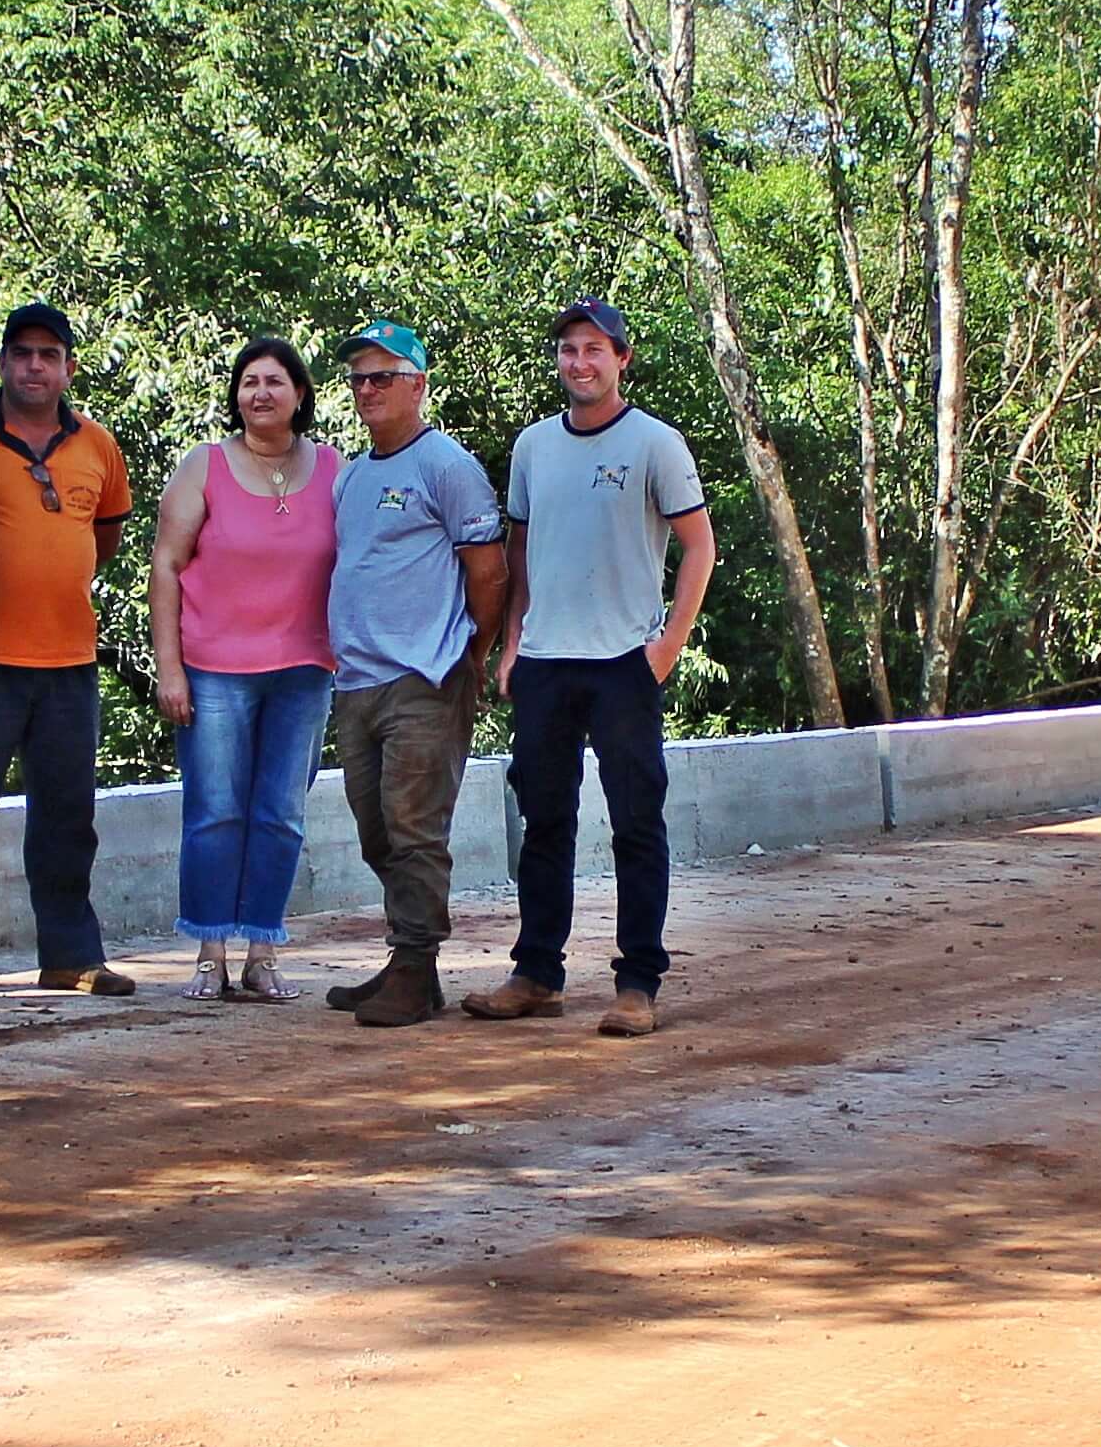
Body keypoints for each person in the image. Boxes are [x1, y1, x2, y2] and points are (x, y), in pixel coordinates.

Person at [474, 299, 714, 1037]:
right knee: (544, 820)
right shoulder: (533, 447)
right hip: (546, 661)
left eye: (594, 350)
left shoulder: (654, 443)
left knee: (636, 821)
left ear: (620, 359)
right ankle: (537, 972)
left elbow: (698, 545)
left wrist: (668, 644)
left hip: (624, 664)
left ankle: (638, 982)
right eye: (569, 350)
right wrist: (512, 641)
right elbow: (518, 550)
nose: (580, 363)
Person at [0, 302, 138, 997]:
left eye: (50, 355)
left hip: (68, 664)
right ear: (3, 362)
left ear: (70, 367)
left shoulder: (97, 445)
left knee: (68, 818)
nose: (35, 366)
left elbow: (102, 538)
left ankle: (72, 954)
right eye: (23, 353)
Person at [321, 321, 511, 1032]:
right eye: (359, 379)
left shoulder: (446, 466)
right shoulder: (354, 475)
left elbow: (488, 570)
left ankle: (414, 960)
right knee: (376, 829)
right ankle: (411, 965)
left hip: (426, 675)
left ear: (418, 385)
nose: (368, 390)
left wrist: (474, 649)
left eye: (383, 377)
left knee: (413, 824)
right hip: (357, 679)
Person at [151, 336, 343, 1001]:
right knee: (215, 812)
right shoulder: (202, 467)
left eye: (275, 380)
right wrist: (169, 668)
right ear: (236, 395)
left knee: (281, 813)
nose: (260, 391)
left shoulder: (333, 469)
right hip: (214, 670)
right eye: (248, 381)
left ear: (299, 393)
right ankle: (210, 952)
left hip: (304, 670)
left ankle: (263, 949)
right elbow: (166, 568)